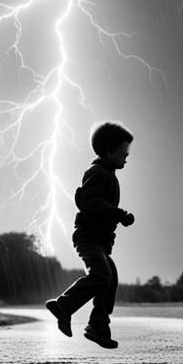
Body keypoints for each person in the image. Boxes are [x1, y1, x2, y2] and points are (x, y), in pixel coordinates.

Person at [45, 121, 135, 349]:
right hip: (88, 238)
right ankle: (64, 306)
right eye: (123, 153)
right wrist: (119, 214)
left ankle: (98, 326)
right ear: (108, 151)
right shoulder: (98, 173)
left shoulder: (108, 174)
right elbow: (91, 203)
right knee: (101, 274)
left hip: (100, 241)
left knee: (109, 277)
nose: (126, 157)